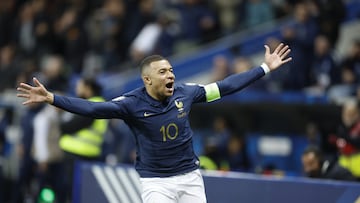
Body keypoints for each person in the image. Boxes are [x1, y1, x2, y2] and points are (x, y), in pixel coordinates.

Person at [17, 43, 292, 203]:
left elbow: (225, 86)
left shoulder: (187, 92)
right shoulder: (131, 104)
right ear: (147, 80)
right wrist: (52, 98)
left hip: (191, 179)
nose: (170, 74)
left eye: (171, 70)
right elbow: (93, 109)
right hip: (156, 183)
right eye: (163, 72)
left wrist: (264, 68)